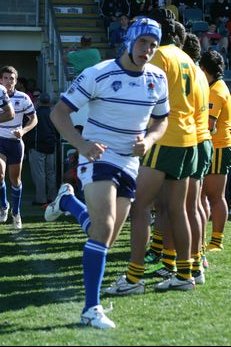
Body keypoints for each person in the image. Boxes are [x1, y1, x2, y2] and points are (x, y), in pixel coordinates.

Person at [44, 17, 169, 329]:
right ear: (129, 41)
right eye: (143, 42)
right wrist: (82, 143)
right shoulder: (98, 73)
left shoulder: (157, 77)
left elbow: (161, 120)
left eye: (153, 45)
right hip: (98, 157)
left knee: (105, 236)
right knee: (104, 227)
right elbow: (58, 113)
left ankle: (68, 203)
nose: (148, 50)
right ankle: (91, 308)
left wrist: (150, 140)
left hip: (130, 163)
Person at [105, 9, 199, 294]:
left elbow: (147, 95)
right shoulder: (187, 59)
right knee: (177, 209)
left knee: (140, 207)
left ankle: (134, 278)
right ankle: (185, 273)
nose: (147, 47)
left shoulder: (160, 55)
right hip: (188, 138)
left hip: (164, 138)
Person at [200, 49, 231, 251]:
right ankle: (202, 239)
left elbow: (209, 125)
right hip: (214, 146)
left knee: (215, 195)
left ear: (204, 69)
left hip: (218, 147)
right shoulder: (215, 86)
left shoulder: (215, 91)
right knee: (201, 194)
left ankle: (216, 240)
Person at [0, 66, 37, 229]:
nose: (8, 81)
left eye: (12, 78)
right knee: (0, 174)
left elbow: (33, 119)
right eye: (5, 78)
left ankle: (16, 212)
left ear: (16, 81)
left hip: (15, 143)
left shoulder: (23, 98)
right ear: (1, 80)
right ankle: (3, 206)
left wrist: (23, 130)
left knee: (15, 180)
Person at [27, 92, 58, 205]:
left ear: (39, 101)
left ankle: (41, 199)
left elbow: (28, 128)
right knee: (51, 173)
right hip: (51, 147)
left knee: (39, 174)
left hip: (37, 146)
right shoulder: (53, 113)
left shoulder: (35, 113)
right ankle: (52, 197)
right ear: (49, 102)